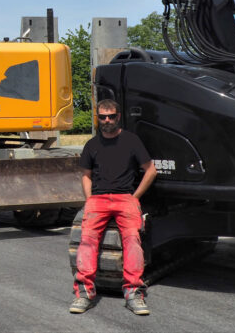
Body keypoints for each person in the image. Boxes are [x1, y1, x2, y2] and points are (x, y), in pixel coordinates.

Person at [70, 99, 158, 316]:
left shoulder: (131, 141)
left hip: (125, 198)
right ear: (98, 118)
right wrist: (90, 199)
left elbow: (150, 170)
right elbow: (86, 175)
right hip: (98, 199)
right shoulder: (92, 144)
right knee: (87, 240)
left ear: (118, 116)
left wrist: (135, 198)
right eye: (103, 117)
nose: (107, 120)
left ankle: (133, 293)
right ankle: (84, 293)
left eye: (111, 116)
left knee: (132, 240)